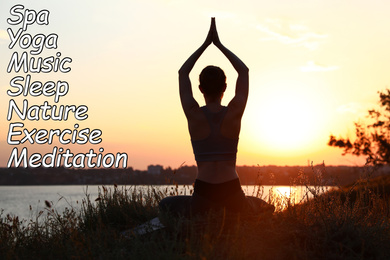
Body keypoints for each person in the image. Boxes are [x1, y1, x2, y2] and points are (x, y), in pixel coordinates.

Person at [159, 18, 274, 217]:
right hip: (232, 190)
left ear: (200, 88)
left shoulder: (194, 114)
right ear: (225, 88)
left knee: (165, 204)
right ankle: (237, 213)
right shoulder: (234, 113)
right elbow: (244, 71)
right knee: (263, 207)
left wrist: (205, 44)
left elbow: (183, 72)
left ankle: (206, 218)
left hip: (204, 192)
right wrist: (220, 45)